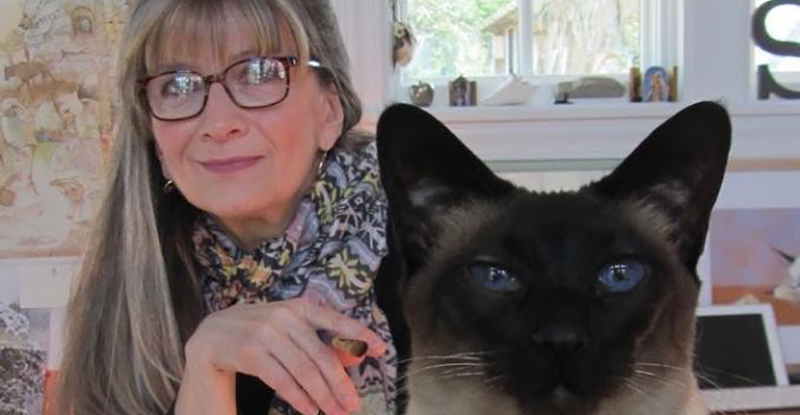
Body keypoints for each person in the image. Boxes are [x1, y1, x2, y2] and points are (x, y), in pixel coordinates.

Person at [55, 1, 399, 415]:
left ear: (329, 111)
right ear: (155, 136)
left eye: (260, 72)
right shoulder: (130, 301)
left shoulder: (430, 248)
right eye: (177, 85)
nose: (218, 123)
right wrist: (206, 371)